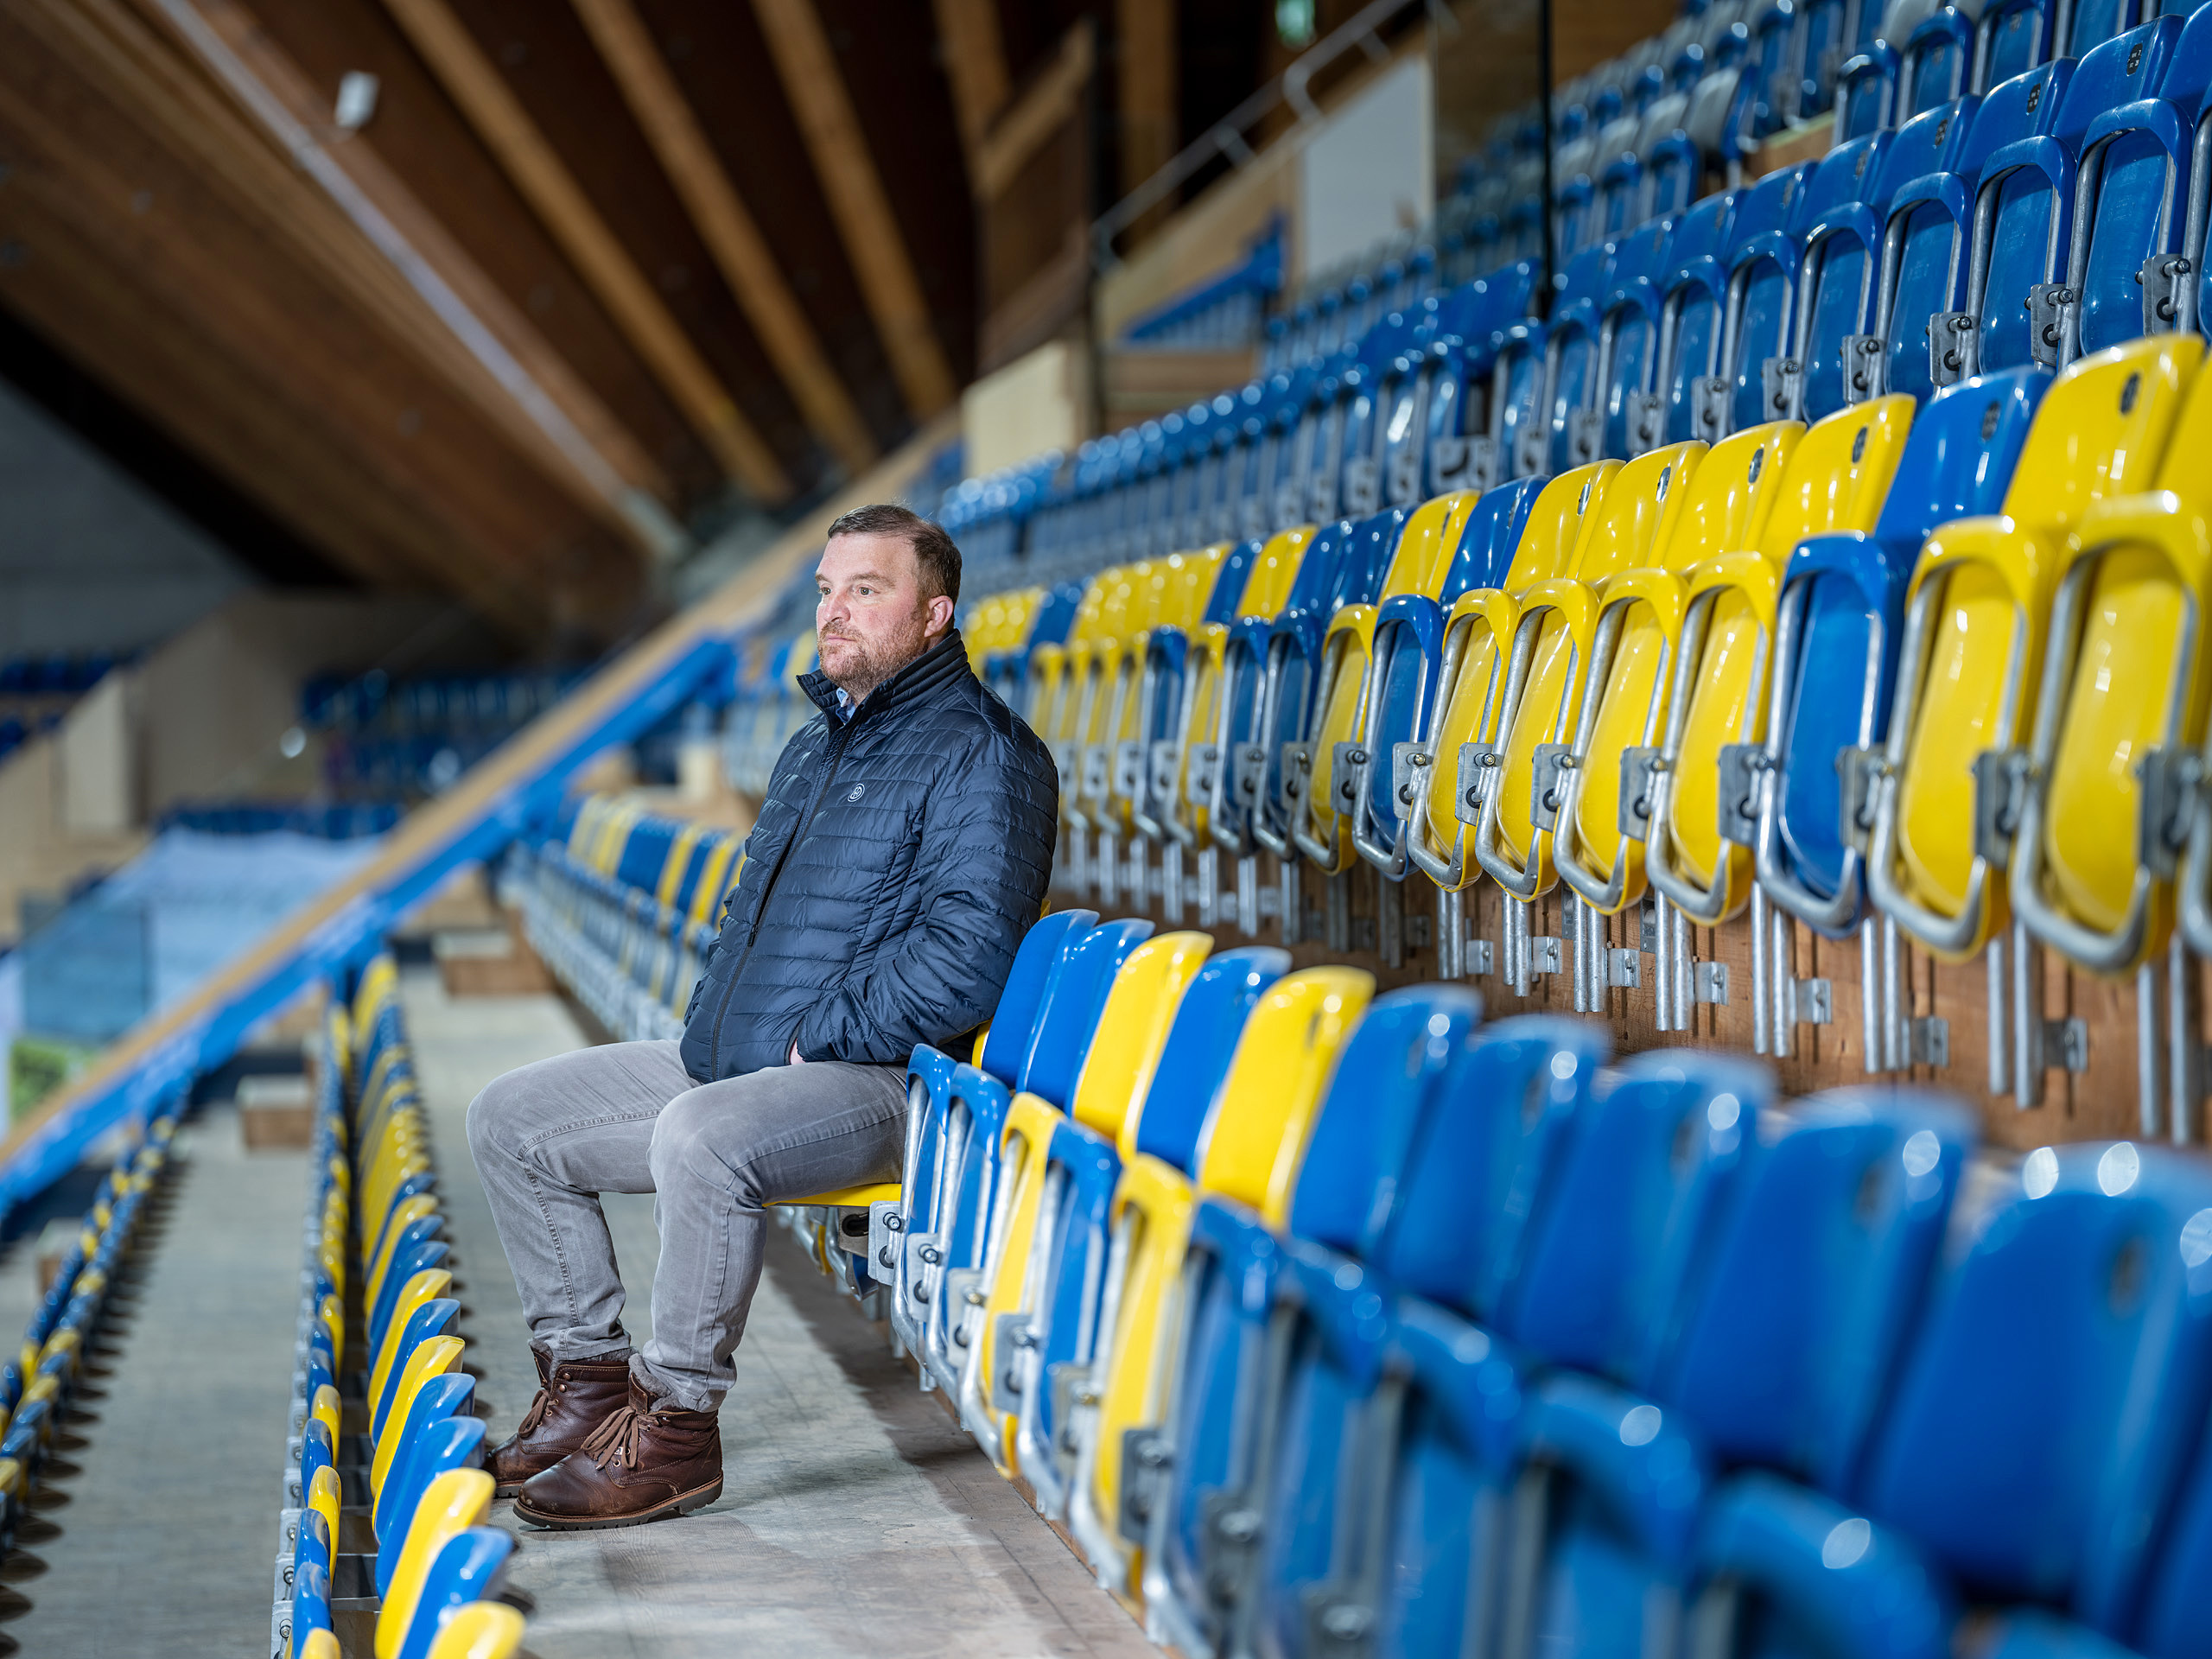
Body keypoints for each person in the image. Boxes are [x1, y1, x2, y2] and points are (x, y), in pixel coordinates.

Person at [467, 504, 1058, 1529]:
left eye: (866, 591)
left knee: (704, 1136)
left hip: (890, 1083)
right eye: (826, 591)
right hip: (747, 1062)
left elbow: (969, 961)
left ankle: (676, 1427)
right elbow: (748, 927)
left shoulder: (986, 756)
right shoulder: (808, 750)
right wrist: (721, 1031)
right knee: (513, 1120)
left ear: (934, 614)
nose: (835, 613)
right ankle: (587, 1387)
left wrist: (807, 1040)